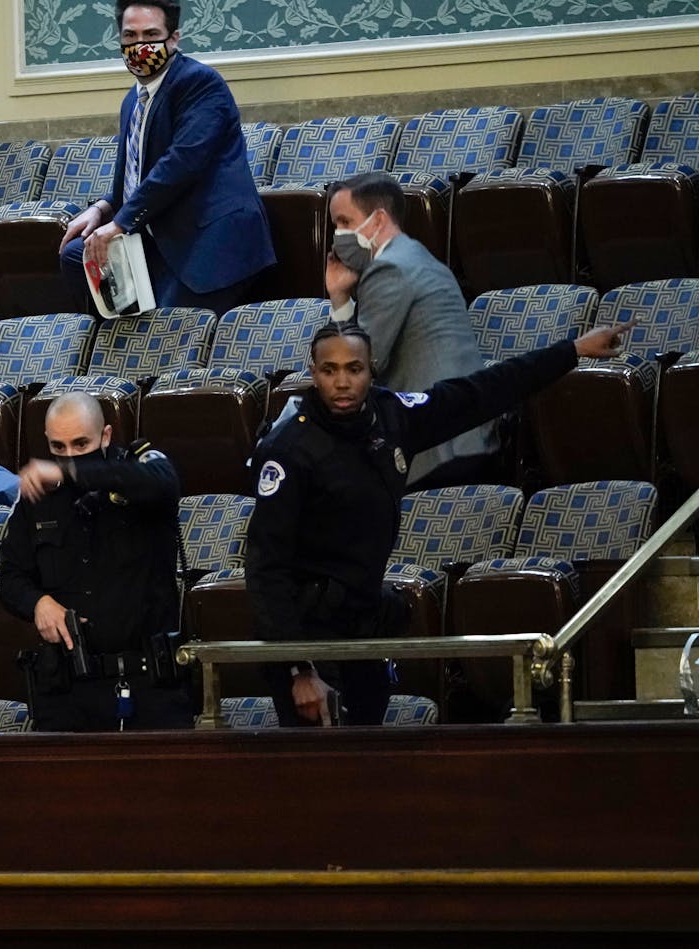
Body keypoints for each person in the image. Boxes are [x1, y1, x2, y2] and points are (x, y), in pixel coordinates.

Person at [246, 318, 633, 727]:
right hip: (308, 637)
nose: (342, 382)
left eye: (353, 369)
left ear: (371, 368)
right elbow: (266, 568)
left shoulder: (391, 415)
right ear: (313, 373)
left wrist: (573, 350)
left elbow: (479, 393)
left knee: (371, 764)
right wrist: (297, 669)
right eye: (330, 370)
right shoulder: (288, 449)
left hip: (364, 627)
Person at [59, 0, 274, 316]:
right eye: (130, 36)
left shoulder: (199, 83)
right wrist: (101, 209)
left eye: (151, 34)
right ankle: (121, 346)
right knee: (76, 255)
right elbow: (136, 174)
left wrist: (119, 224)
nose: (140, 46)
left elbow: (181, 164)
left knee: (165, 326)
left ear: (174, 38)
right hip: (158, 237)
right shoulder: (133, 100)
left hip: (208, 240)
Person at [0, 393, 191, 731]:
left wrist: (67, 471)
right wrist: (38, 603)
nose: (70, 456)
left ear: (106, 436)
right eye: (58, 447)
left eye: (80, 444)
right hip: (69, 690)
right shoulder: (40, 497)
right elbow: (10, 578)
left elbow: (164, 482)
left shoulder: (137, 472)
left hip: (150, 687)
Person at [326, 171, 499, 488]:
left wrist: (338, 298)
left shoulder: (390, 268)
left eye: (345, 223)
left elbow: (360, 361)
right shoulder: (416, 258)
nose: (338, 235)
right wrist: (341, 294)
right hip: (463, 436)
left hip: (439, 448)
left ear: (377, 220)